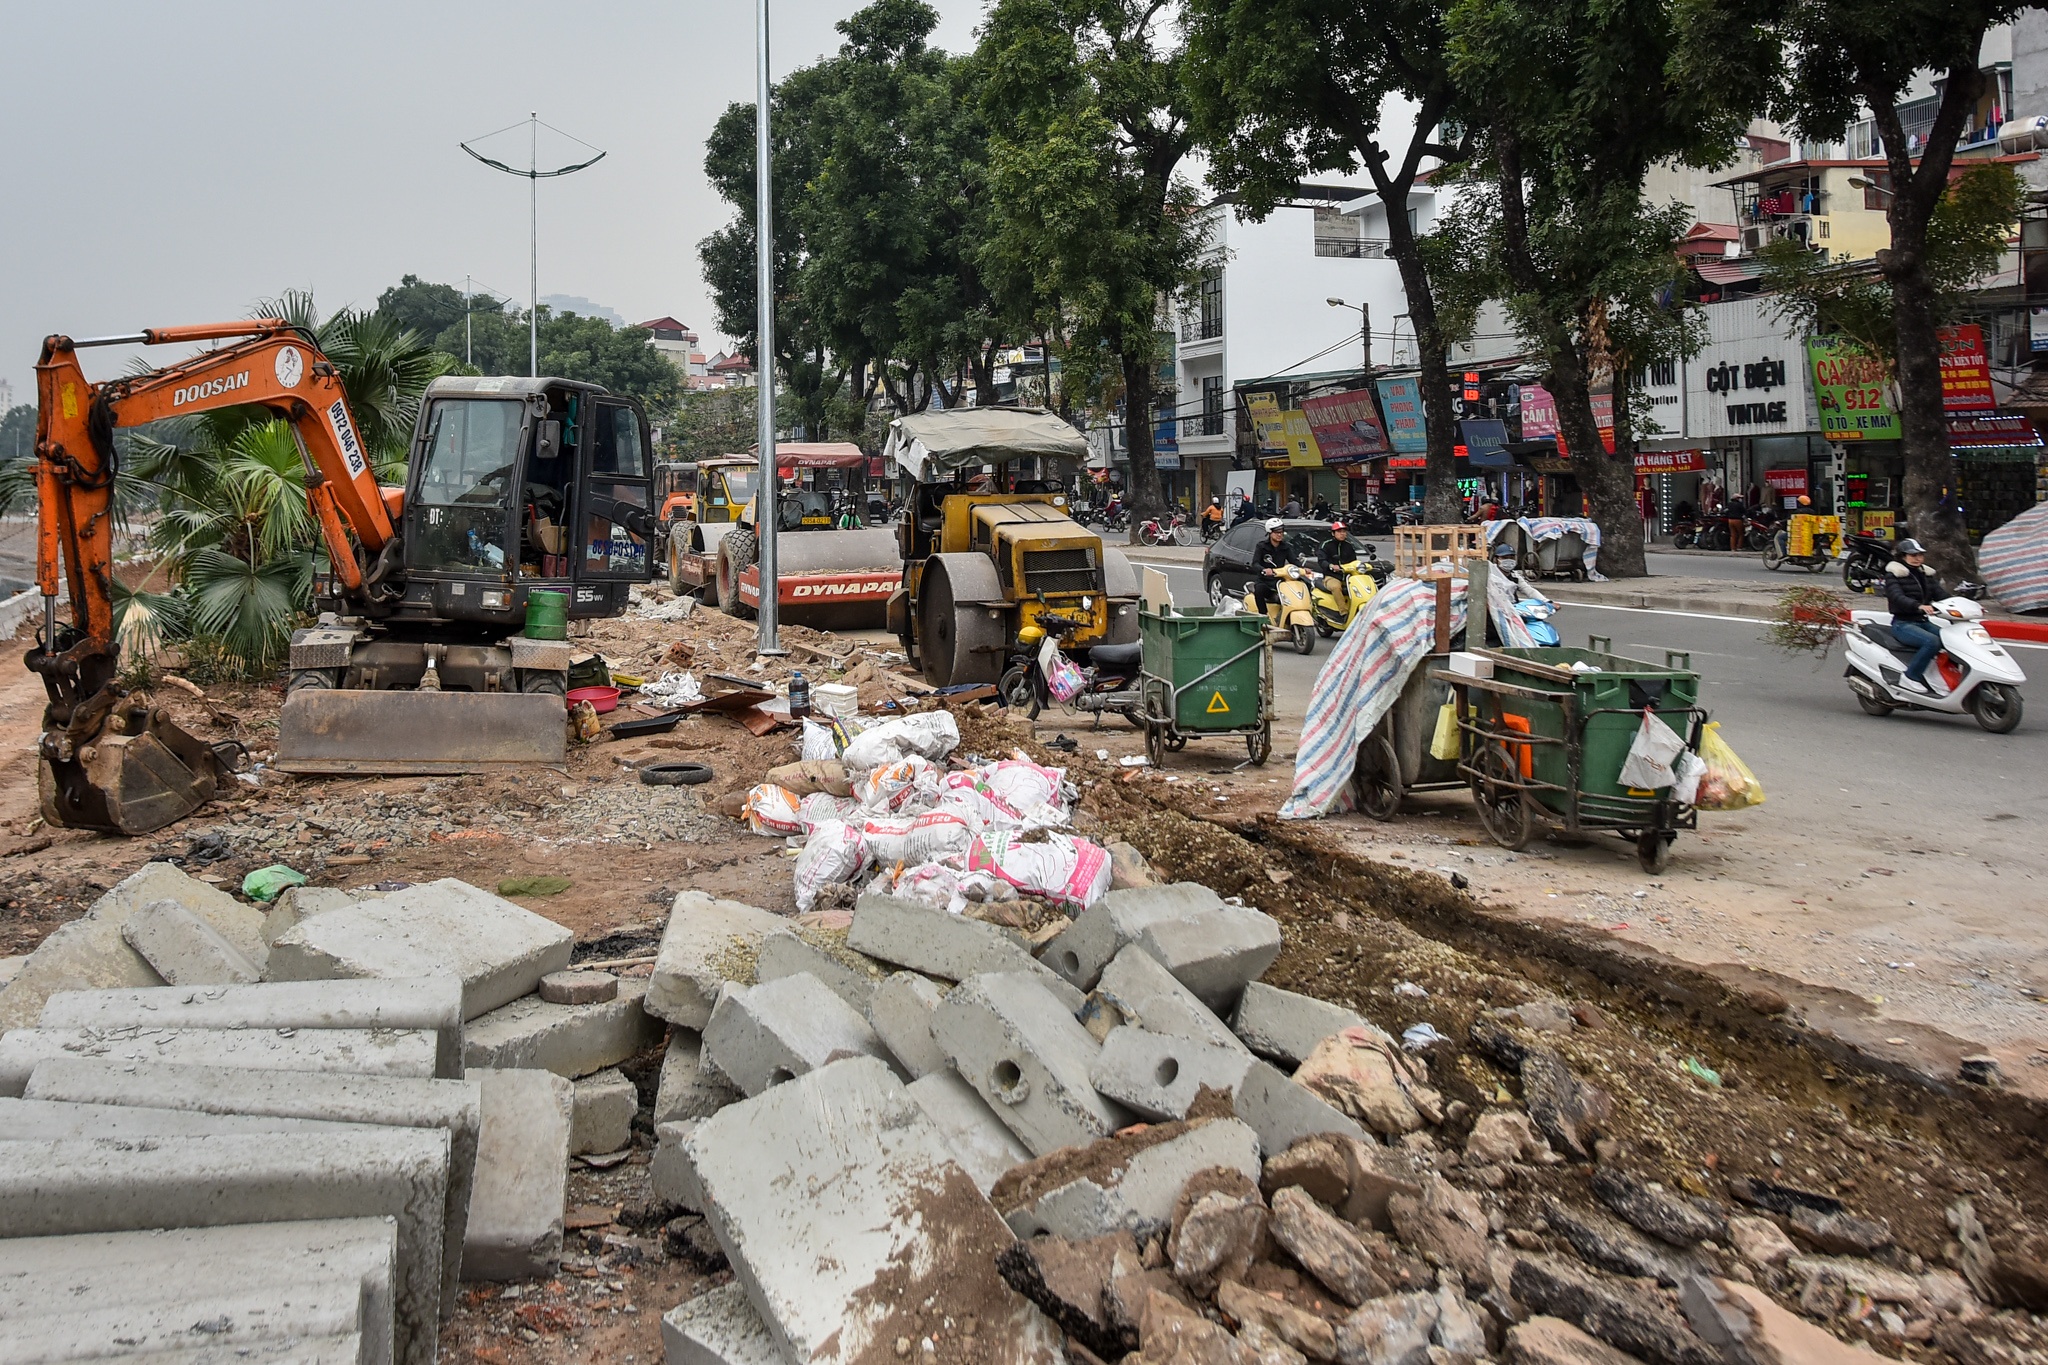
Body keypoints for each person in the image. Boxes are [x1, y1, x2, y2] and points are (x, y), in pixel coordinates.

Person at [1884, 538, 1947, 694]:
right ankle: (1910, 676)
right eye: (1913, 555)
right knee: (1932, 642)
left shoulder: (1925, 574)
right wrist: (1918, 606)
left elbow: (1941, 595)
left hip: (1923, 621)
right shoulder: (1893, 576)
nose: (1918, 558)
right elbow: (1897, 597)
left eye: (1920, 555)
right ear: (1903, 556)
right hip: (1903, 624)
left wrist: (1962, 602)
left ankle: (1942, 676)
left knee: (1951, 640)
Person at [1251, 518, 1298, 614]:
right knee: (1259, 590)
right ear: (1270, 533)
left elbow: (1294, 561)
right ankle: (1263, 617)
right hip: (1266, 582)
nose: (1280, 534)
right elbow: (1255, 564)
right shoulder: (1261, 546)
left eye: (1281, 532)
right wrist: (1264, 570)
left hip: (1281, 582)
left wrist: (1303, 569)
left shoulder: (1286, 547)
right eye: (1277, 532)